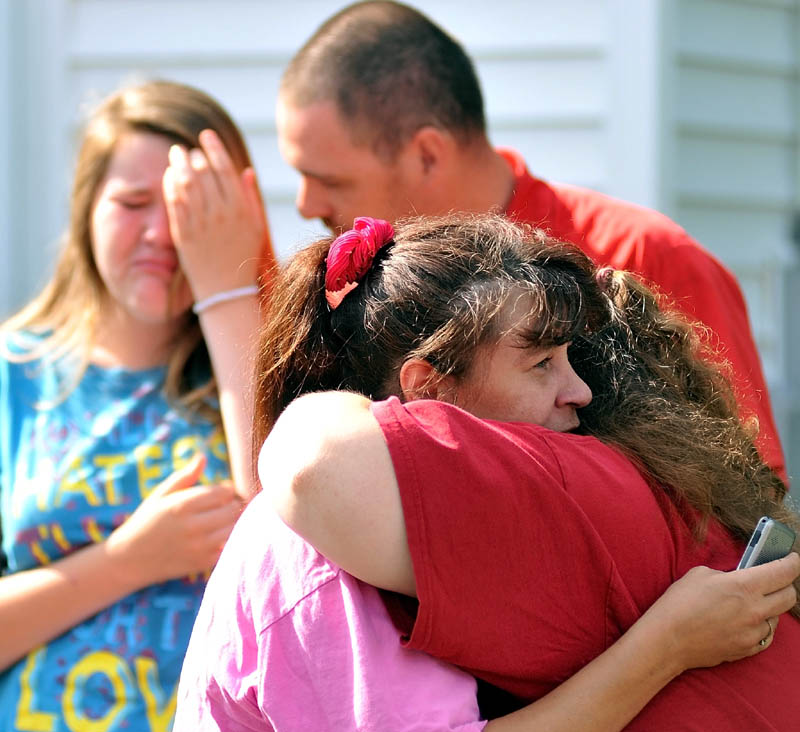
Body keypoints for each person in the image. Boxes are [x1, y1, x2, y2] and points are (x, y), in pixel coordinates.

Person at [156, 214, 799, 732]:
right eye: (541, 363)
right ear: (428, 388)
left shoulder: (418, 527)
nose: (578, 392)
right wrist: (670, 641)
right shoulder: (316, 550)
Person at [275, 0, 787, 481]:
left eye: (330, 181)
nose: (305, 206)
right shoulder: (353, 286)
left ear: (428, 154)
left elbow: (744, 496)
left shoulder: (641, 256)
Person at [0, 80, 273, 732]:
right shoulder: (17, 375)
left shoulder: (259, 371)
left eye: (188, 211)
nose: (160, 234)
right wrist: (129, 562)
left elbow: (287, 536)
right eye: (131, 203)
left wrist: (229, 289)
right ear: (85, 209)